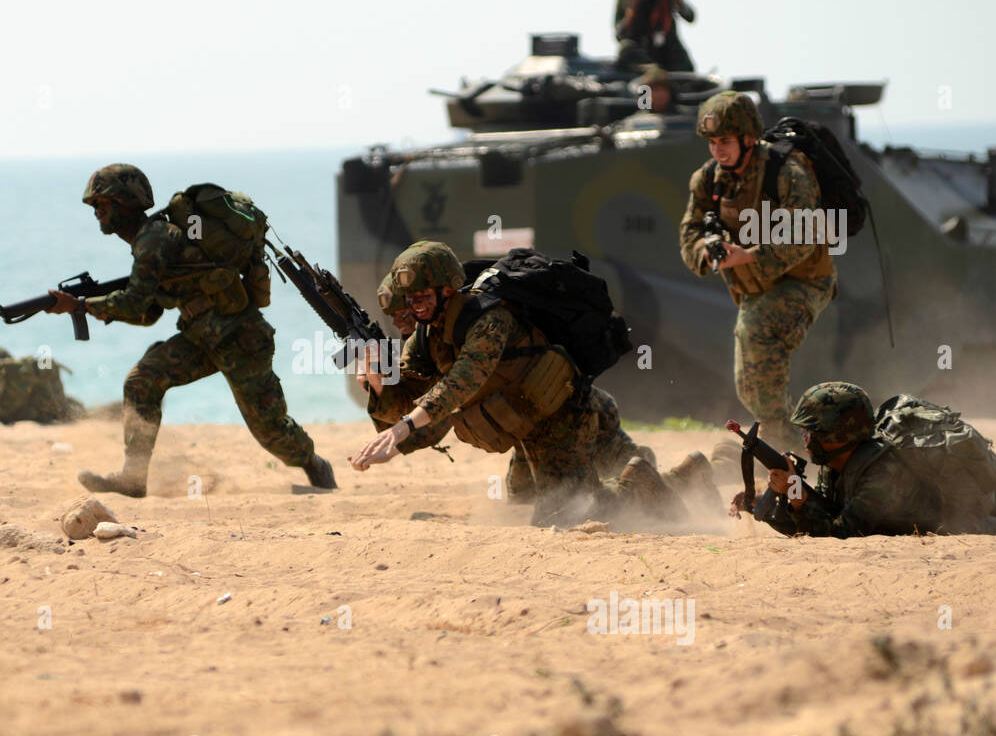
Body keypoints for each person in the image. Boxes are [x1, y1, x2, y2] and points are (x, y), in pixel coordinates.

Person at [348, 241, 713, 526]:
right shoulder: (429, 335)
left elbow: (463, 381)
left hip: (562, 418)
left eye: (424, 297)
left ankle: (642, 480)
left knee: (572, 515)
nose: (416, 309)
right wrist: (379, 384)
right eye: (410, 301)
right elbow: (412, 397)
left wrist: (402, 429)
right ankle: (686, 475)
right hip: (527, 425)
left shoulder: (488, 319)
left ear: (448, 289)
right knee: (521, 500)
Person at [46, 163, 335, 496]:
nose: (97, 212)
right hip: (202, 338)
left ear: (125, 201)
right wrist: (95, 306)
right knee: (142, 381)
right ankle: (134, 477)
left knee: (271, 432)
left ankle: (316, 466)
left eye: (103, 204)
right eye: (95, 206)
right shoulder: (149, 240)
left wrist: (81, 306)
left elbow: (136, 302)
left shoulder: (152, 239)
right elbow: (149, 313)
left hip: (241, 338)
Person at [679, 91, 837, 455]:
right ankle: (798, 447)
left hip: (805, 281)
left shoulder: (787, 171)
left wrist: (747, 257)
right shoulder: (708, 179)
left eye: (725, 142)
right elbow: (689, 230)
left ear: (749, 138)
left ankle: (790, 452)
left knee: (756, 332)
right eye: (712, 143)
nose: (718, 151)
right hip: (757, 288)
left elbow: (806, 232)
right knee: (748, 381)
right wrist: (706, 250)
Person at [739, 382, 946, 538]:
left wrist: (797, 497)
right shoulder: (834, 463)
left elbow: (842, 534)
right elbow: (815, 518)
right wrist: (766, 501)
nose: (805, 439)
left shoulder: (882, 472)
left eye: (811, 432)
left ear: (837, 435)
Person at [614, 0, 696, 72]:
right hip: (642, 54)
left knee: (684, 65)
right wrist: (631, 13)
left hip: (667, 48)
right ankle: (653, 71)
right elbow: (619, 35)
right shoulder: (626, 1)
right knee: (626, 49)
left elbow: (690, 16)